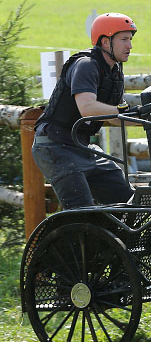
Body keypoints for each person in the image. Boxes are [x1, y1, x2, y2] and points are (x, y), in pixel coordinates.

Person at [32, 13, 137, 209]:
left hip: (81, 146)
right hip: (55, 146)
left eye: (130, 40)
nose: (130, 46)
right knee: (81, 211)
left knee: (128, 201)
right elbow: (87, 108)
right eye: (124, 40)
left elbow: (113, 117)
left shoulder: (115, 71)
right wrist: (121, 111)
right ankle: (71, 238)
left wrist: (148, 120)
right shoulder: (86, 65)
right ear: (106, 42)